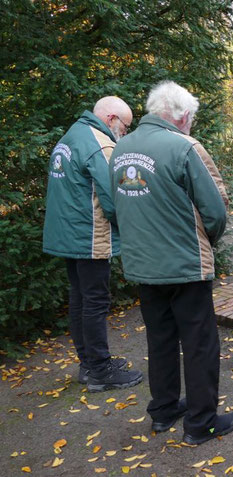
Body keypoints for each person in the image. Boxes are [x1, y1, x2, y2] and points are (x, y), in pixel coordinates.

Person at [110, 81, 233, 445]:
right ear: (182, 117)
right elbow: (215, 210)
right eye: (191, 118)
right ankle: (201, 423)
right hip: (185, 265)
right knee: (199, 344)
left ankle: (163, 411)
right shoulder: (183, 147)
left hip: (143, 266)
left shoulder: (120, 149)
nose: (191, 124)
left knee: (160, 339)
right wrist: (204, 244)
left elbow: (111, 205)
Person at [42, 96, 143, 392]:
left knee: (80, 298)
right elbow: (113, 197)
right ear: (111, 118)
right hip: (90, 237)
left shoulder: (71, 136)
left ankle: (90, 364)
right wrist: (129, 227)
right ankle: (100, 371)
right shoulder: (100, 143)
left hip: (67, 234)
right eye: (124, 126)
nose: (123, 133)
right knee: (95, 301)